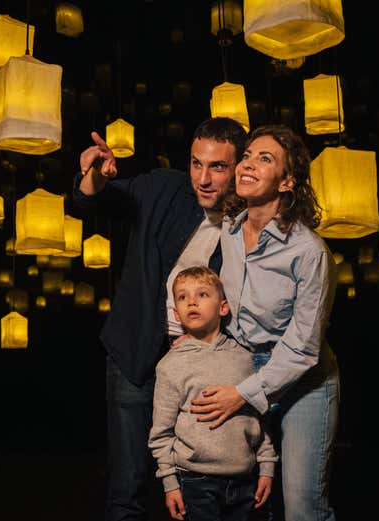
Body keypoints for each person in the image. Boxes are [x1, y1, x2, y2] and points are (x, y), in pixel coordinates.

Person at [72, 117, 248, 521]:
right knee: (128, 484)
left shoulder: (248, 221)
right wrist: (94, 175)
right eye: (196, 163)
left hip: (203, 363)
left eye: (217, 167)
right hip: (137, 351)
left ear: (239, 168)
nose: (203, 178)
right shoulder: (164, 188)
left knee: (200, 488)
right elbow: (96, 201)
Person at [188, 125, 340, 521]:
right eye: (248, 155)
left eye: (265, 159)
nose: (249, 164)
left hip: (305, 384)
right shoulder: (230, 231)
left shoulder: (309, 252)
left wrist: (243, 393)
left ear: (287, 181)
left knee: (301, 506)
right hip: (245, 369)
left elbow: (303, 349)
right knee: (248, 500)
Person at [148, 265, 277, 521]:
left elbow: (260, 417)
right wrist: (170, 483)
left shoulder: (245, 359)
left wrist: (267, 466)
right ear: (176, 313)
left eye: (203, 294)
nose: (191, 302)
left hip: (245, 477)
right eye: (183, 297)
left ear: (223, 308)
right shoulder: (170, 365)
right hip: (196, 481)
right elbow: (161, 433)